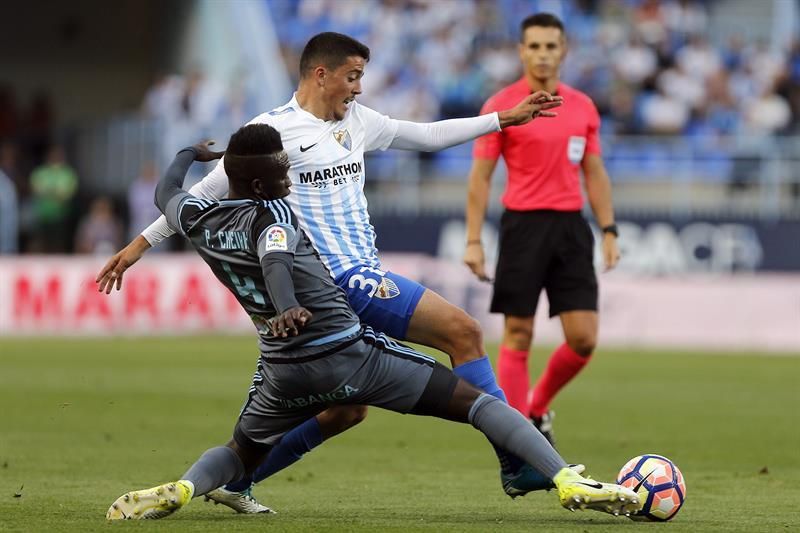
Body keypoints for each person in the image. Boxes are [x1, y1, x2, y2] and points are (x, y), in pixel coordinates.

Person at [96, 32, 564, 511]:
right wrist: (137, 245)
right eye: (352, 77)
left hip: (354, 278)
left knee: (346, 411)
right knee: (463, 332)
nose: (359, 88)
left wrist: (502, 119)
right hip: (337, 279)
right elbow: (207, 192)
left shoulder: (357, 121)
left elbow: (425, 135)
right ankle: (518, 459)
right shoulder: (271, 130)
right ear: (322, 75)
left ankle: (236, 480)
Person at [105, 125, 640, 521]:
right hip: (347, 354)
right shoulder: (275, 216)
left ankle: (184, 487)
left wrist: (186, 155)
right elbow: (273, 256)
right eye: (283, 172)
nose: (291, 178)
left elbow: (165, 194)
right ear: (265, 183)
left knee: (240, 452)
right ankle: (566, 478)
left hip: (281, 370)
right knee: (478, 402)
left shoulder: (197, 217)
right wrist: (289, 302)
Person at [463, 13, 620, 446]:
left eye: (551, 46)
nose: (543, 54)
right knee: (518, 332)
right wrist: (474, 240)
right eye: (534, 46)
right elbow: (480, 176)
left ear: (564, 50)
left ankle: (536, 406)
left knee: (584, 339)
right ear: (521, 51)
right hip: (523, 227)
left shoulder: (583, 106)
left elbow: (594, 170)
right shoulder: (502, 105)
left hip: (571, 228)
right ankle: (520, 443)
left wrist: (609, 229)